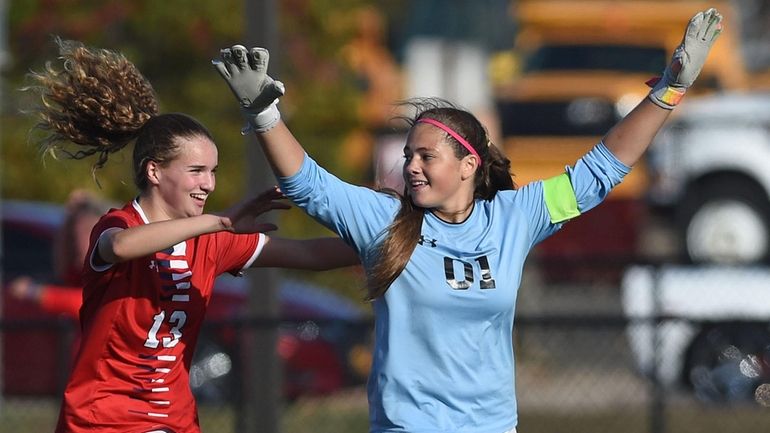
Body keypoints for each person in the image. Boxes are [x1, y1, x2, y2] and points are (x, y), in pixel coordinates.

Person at [214, 8, 722, 433]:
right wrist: (265, 115)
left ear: (468, 165)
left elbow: (601, 170)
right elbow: (310, 185)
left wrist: (669, 91)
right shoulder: (384, 218)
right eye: (408, 155)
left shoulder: (513, 217)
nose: (411, 165)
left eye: (426, 156)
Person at [25, 38, 359, 433]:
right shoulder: (121, 225)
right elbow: (119, 247)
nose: (209, 184)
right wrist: (218, 223)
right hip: (103, 423)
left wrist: (389, 240)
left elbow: (311, 256)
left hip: (173, 423)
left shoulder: (211, 238)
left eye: (213, 171)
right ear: (154, 172)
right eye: (197, 171)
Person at [9, 189, 109, 319]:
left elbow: (85, 302)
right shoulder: (81, 272)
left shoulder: (112, 271)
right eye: (74, 236)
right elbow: (63, 267)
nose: (79, 241)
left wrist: (36, 292)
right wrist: (68, 216)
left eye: (87, 232)